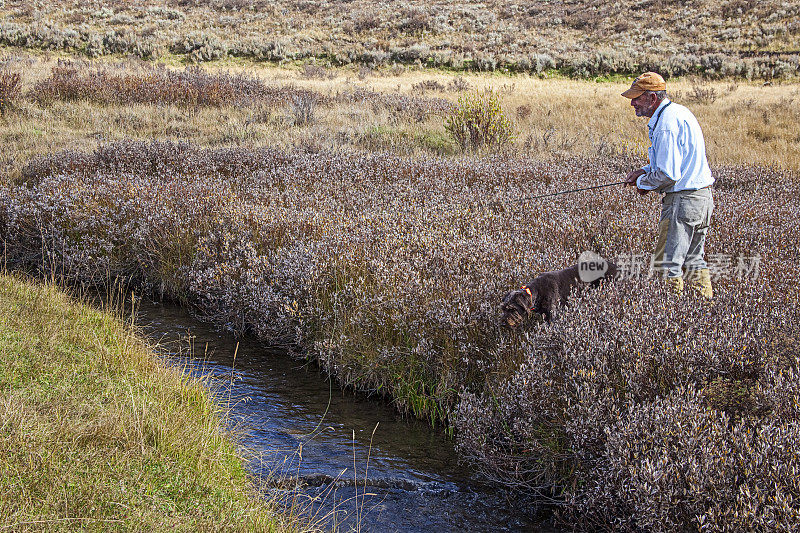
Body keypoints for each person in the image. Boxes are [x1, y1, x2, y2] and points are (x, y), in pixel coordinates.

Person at [622, 72, 714, 298]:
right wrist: (643, 171)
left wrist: (644, 183)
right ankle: (705, 312)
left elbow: (668, 173)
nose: (633, 103)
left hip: (682, 202)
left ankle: (669, 321)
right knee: (693, 260)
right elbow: (676, 160)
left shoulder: (666, 124)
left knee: (666, 264)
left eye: (637, 98)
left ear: (652, 98)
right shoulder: (679, 112)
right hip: (701, 199)